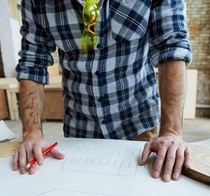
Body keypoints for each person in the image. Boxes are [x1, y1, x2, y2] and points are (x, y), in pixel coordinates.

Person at [13, 0, 193, 181]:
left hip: (137, 124)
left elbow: (171, 46)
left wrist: (171, 131)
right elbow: (33, 61)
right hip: (79, 128)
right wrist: (32, 134)